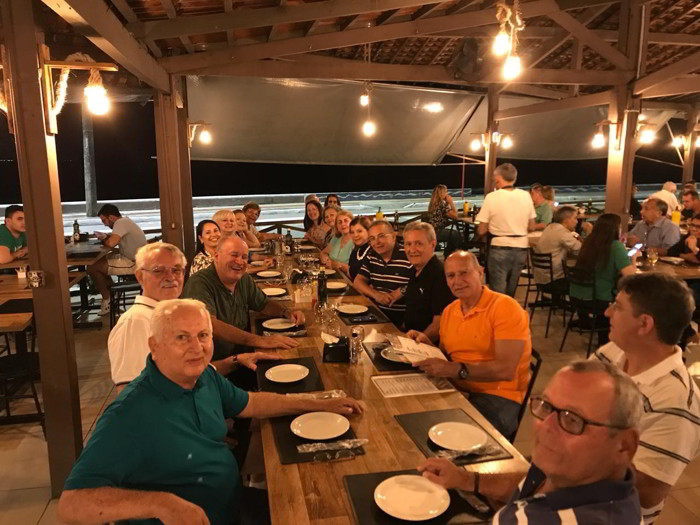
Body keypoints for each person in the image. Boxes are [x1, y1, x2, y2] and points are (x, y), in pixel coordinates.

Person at [58, 299, 363, 525]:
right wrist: (162, 504)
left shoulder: (203, 375)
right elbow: (72, 504)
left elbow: (252, 403)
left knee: (332, 503)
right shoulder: (130, 412)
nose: (197, 347)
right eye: (182, 337)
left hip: (231, 503)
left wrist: (319, 402)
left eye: (203, 335)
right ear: (155, 345)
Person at [418, 361, 643, 524]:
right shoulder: (598, 480)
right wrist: (465, 479)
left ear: (624, 446)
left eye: (572, 419)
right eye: (546, 406)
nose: (545, 426)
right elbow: (532, 482)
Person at [594, 273, 700, 523]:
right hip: (564, 487)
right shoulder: (615, 350)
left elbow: (648, 495)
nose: (607, 313)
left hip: (606, 514)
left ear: (644, 324)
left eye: (617, 307)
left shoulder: (677, 402)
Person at [409, 251, 531, 438]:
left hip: (498, 396)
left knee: (447, 438)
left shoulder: (505, 307)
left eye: (464, 273)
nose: (457, 281)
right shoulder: (450, 311)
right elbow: (447, 357)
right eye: (451, 276)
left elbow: (506, 370)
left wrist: (455, 370)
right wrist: (426, 344)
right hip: (457, 387)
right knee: (411, 418)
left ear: (480, 273)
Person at [182, 235, 303, 371]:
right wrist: (261, 340)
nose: (239, 262)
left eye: (244, 257)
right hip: (214, 369)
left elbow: (263, 303)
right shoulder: (199, 283)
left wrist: (287, 312)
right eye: (234, 255)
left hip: (243, 358)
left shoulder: (243, 279)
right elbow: (210, 325)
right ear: (217, 256)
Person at [476, 163, 536, 298]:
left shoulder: (492, 197)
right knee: (511, 290)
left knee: (498, 292)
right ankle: (509, 309)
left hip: (499, 247)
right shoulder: (525, 196)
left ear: (498, 179)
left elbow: (481, 229)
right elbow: (532, 226)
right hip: (521, 247)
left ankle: (499, 311)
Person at [88, 204, 148, 315]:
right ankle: (111, 295)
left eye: (104, 220)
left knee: (92, 267)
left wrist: (103, 239)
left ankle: (107, 300)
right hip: (134, 259)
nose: (104, 224)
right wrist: (106, 237)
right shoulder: (125, 221)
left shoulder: (120, 223)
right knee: (98, 262)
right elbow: (115, 239)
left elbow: (111, 243)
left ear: (111, 217)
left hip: (133, 264)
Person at [354, 220, 414, 326]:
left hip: (402, 321)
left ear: (393, 236)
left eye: (381, 236)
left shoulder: (409, 255)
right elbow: (358, 281)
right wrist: (377, 295)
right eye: (372, 238)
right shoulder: (372, 255)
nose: (376, 242)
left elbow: (423, 283)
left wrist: (402, 290)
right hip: (376, 315)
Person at [402, 222, 454, 342]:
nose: (412, 250)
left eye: (418, 244)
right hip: (410, 337)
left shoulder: (440, 275)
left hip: (426, 345)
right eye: (408, 244)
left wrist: (412, 344)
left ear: (433, 244)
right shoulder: (416, 270)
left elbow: (438, 325)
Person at [533, 206, 584, 292]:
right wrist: (581, 238)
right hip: (555, 281)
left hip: (541, 279)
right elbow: (582, 250)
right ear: (566, 220)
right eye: (575, 218)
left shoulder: (549, 228)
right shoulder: (562, 232)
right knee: (584, 284)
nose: (577, 221)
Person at [426, 184, 459, 256]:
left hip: (432, 230)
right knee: (456, 235)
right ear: (441, 193)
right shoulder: (442, 203)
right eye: (446, 191)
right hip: (437, 232)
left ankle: (448, 253)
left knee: (453, 233)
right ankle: (449, 254)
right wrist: (451, 202)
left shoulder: (433, 203)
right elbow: (455, 216)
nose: (447, 194)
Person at [347, 216, 372, 281]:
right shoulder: (355, 251)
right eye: (352, 232)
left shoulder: (374, 251)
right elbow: (350, 274)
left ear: (369, 231)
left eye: (359, 231)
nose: (355, 235)